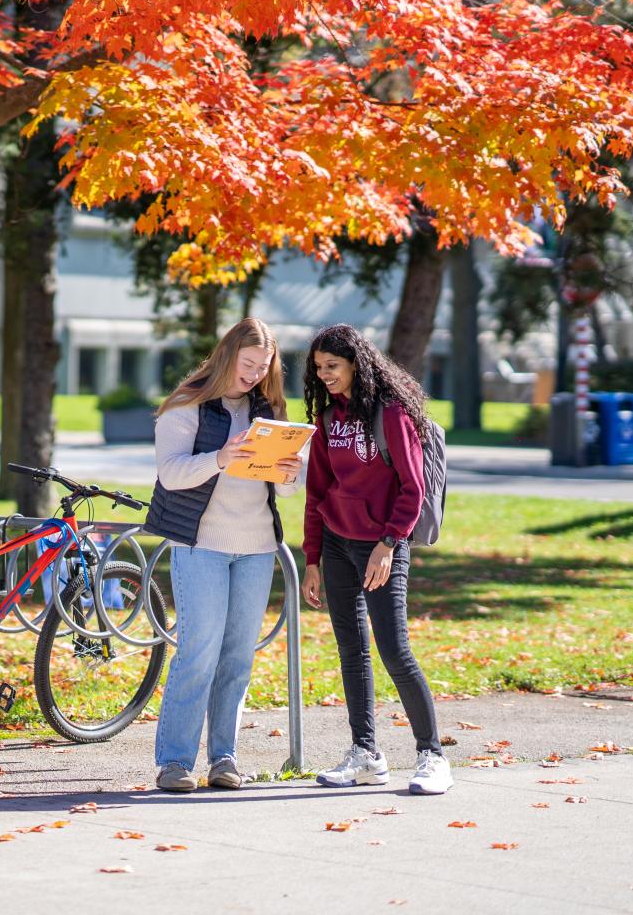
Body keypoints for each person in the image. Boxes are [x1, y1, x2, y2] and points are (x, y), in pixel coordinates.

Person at [144, 317, 305, 793]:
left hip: (257, 547)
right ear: (227, 355)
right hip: (202, 546)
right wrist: (220, 458)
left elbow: (288, 489)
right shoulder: (187, 405)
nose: (254, 374)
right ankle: (174, 762)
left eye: (263, 366)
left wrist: (290, 471)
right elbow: (171, 474)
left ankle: (224, 758)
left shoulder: (269, 410)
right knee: (199, 652)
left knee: (237, 658)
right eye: (247, 363)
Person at [300, 323, 451, 795]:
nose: (324, 375)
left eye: (332, 365)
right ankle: (365, 753)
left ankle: (432, 755)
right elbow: (316, 492)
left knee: (394, 650)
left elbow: (412, 487)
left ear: (356, 364)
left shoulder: (391, 413)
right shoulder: (329, 419)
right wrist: (312, 559)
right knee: (352, 651)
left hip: (381, 546)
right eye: (318, 367)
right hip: (337, 544)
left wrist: (388, 544)